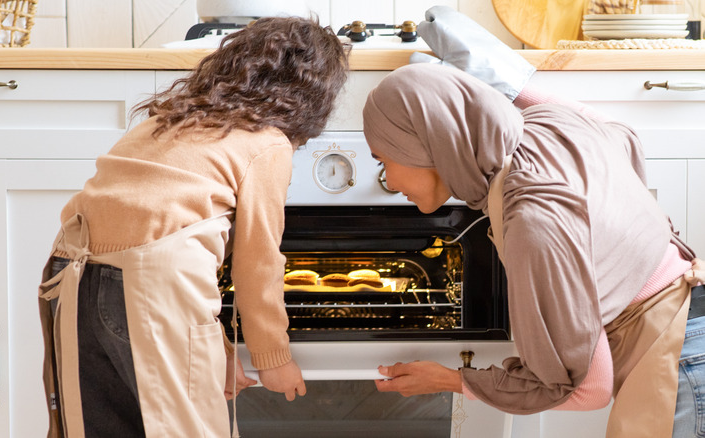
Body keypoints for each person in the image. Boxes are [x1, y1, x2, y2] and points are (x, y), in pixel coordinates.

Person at [363, 6, 705, 438]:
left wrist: (451, 380)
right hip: (693, 319)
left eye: (385, 159)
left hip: (680, 364)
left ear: (429, 144)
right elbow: (618, 130)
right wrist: (490, 85)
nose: (390, 181)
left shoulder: (532, 219)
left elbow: (586, 388)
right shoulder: (549, 126)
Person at [36, 16, 349, 437]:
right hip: (153, 282)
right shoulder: (266, 142)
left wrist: (214, 351)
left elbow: (163, 236)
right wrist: (273, 358)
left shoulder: (167, 121)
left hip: (70, 272)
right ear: (312, 98)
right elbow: (257, 264)